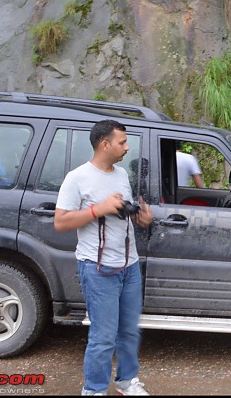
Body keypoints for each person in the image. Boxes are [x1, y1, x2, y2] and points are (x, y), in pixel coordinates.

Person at [54, 120, 153, 396]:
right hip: (97, 269)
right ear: (104, 144)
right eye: (122, 142)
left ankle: (126, 382)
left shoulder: (120, 174)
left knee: (129, 332)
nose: (127, 147)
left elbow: (121, 214)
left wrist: (140, 217)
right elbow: (60, 222)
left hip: (129, 266)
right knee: (103, 337)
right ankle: (94, 390)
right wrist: (100, 208)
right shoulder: (77, 178)